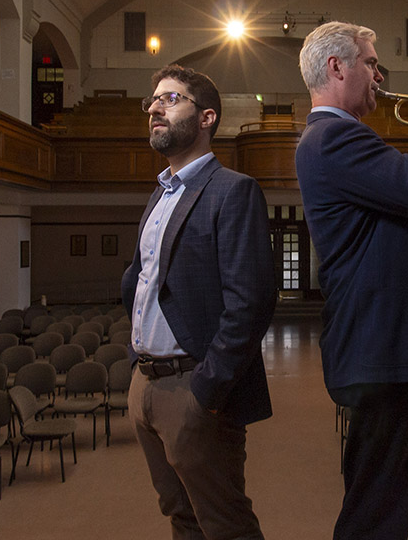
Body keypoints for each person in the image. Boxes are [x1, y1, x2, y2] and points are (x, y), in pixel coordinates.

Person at [295, 22, 408, 540]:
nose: (380, 74)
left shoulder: (337, 138)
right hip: (385, 346)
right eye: (371, 62)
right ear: (337, 67)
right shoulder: (334, 137)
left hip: (384, 346)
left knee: (377, 503)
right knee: (378, 513)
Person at [122, 64, 276, 540]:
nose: (154, 108)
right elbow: (142, 282)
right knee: (180, 515)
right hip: (145, 384)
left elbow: (250, 303)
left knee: (225, 523)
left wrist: (206, 391)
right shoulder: (161, 192)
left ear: (206, 117)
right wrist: (135, 368)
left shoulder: (233, 190)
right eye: (153, 101)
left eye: (170, 99)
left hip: (193, 386)